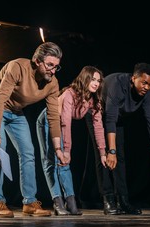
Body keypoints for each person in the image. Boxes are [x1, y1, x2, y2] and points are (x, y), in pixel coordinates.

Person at [0, 41, 65, 218]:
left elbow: (53, 116)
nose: (53, 70)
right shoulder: (17, 66)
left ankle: (29, 202)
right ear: (37, 61)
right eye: (49, 65)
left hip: (16, 112)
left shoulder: (53, 83)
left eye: (56, 66)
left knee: (28, 152)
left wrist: (58, 149)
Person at [93, 62, 150, 215]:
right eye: (144, 83)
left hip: (117, 118)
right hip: (97, 113)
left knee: (120, 158)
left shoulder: (146, 93)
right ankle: (108, 200)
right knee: (103, 155)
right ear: (134, 78)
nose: (147, 87)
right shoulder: (117, 85)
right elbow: (109, 119)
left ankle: (123, 200)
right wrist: (110, 150)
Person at [36, 66, 107, 216]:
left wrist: (103, 152)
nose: (96, 83)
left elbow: (98, 127)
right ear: (85, 78)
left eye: (98, 81)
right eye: (93, 79)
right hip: (49, 120)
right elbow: (65, 123)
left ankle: (71, 202)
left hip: (61, 124)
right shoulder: (70, 94)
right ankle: (58, 202)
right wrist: (66, 150)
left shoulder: (93, 99)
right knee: (52, 162)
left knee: (64, 164)